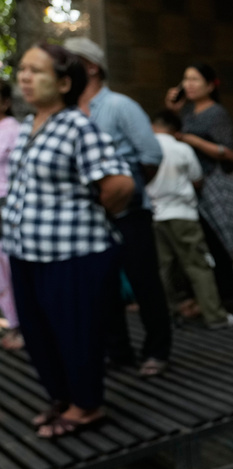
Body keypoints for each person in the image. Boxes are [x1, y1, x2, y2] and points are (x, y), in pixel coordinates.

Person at [2, 44, 133, 437]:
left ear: (63, 82)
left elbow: (119, 185)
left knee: (74, 332)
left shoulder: (79, 126)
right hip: (27, 252)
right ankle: (63, 398)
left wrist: (84, 219)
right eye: (22, 70)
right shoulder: (28, 125)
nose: (25, 77)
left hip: (73, 254)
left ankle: (87, 406)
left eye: (36, 71)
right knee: (39, 335)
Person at [64, 37, 172, 378]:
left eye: (70, 61)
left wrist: (128, 190)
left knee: (144, 281)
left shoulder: (120, 106)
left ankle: (157, 351)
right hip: (90, 217)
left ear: (91, 67)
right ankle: (118, 352)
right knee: (102, 284)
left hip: (129, 212)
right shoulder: (67, 112)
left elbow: (151, 155)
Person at [164, 63, 233, 302]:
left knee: (219, 245)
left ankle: (224, 299)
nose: (188, 85)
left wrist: (192, 140)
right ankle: (203, 298)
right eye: (185, 79)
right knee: (201, 246)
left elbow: (232, 153)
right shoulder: (188, 112)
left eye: (194, 79)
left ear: (210, 85)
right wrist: (173, 110)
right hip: (193, 187)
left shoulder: (216, 113)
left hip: (213, 186)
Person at [148, 109, 233, 330]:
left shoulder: (146, 148)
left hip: (155, 214)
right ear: (175, 130)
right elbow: (197, 179)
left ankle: (169, 314)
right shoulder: (181, 148)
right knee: (198, 265)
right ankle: (215, 316)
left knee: (163, 268)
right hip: (183, 215)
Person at [0, 80, 23, 351]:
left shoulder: (14, 130)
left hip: (8, 203)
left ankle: (23, 324)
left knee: (10, 262)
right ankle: (14, 322)